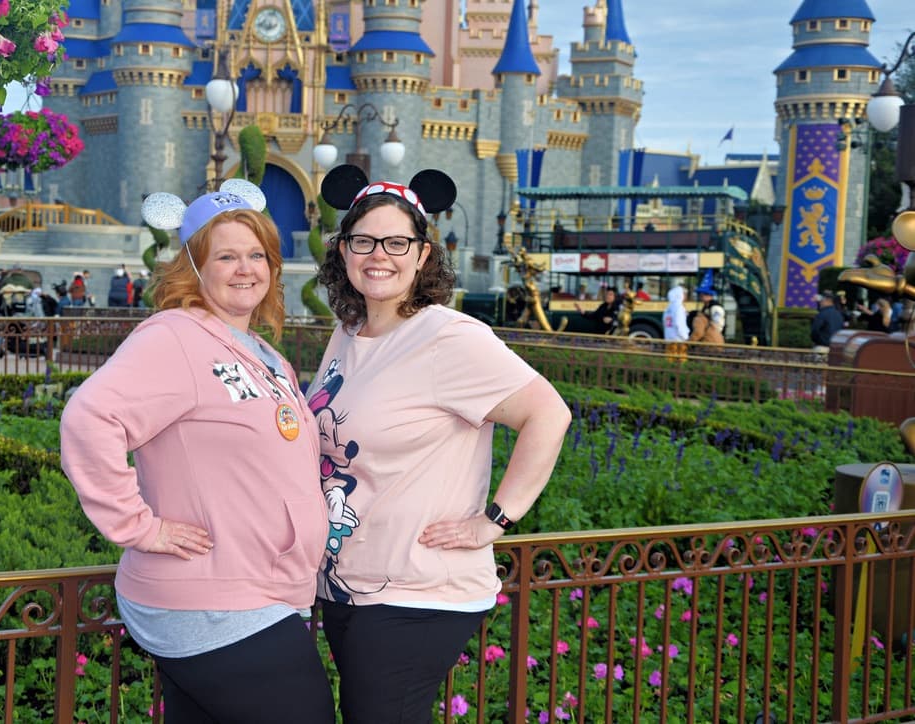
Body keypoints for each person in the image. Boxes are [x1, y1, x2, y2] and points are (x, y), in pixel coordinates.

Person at [60, 182, 334, 723]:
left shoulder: (263, 353)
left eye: (257, 255)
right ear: (194, 267)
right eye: (226, 256)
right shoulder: (176, 336)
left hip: (257, 592)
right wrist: (140, 527)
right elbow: (89, 418)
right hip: (213, 600)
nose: (245, 268)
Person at [311, 164, 571, 723]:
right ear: (343, 250)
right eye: (363, 240)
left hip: (419, 591)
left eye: (397, 242)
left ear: (423, 255)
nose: (378, 254)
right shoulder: (349, 331)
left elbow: (548, 413)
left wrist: (496, 519)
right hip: (348, 584)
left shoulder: (446, 337)